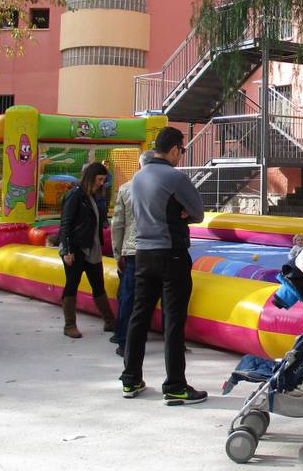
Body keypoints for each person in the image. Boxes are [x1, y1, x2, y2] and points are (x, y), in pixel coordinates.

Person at [120, 127, 207, 406]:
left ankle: (131, 379)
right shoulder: (174, 177)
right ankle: (175, 386)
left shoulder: (137, 177)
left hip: (143, 253)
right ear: (173, 149)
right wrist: (181, 213)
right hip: (172, 254)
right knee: (173, 320)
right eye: (181, 150)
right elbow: (198, 211)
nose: (181, 156)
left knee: (139, 316)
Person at [58, 162, 115, 339]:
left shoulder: (94, 196)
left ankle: (109, 320)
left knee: (98, 283)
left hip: (92, 248)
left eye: (104, 180)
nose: (101, 183)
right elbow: (66, 223)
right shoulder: (75, 195)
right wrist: (67, 249)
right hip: (76, 247)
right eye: (99, 179)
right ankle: (70, 324)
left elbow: (98, 221)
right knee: (72, 284)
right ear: (91, 177)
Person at [111, 150, 154, 357]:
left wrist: (117, 252)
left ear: (139, 165)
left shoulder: (126, 188)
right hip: (155, 248)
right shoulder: (160, 187)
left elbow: (118, 222)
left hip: (131, 249)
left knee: (128, 295)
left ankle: (124, 339)